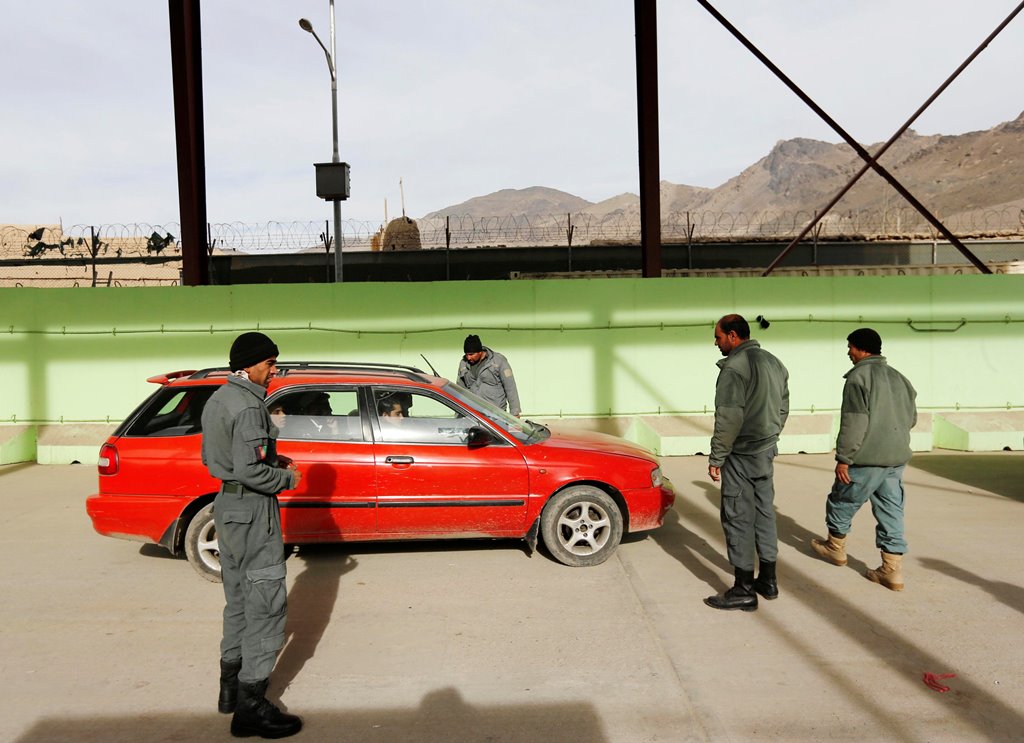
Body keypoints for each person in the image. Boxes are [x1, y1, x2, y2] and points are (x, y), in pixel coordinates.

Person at [200, 331, 304, 739]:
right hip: (254, 509)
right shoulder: (247, 406)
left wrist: (268, 460)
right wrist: (286, 477)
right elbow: (251, 470)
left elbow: (216, 457)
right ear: (247, 366)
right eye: (269, 364)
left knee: (239, 600)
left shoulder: (219, 399)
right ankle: (251, 708)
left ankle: (229, 689)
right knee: (267, 604)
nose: (273, 370)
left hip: (227, 507)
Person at [811, 328, 917, 592]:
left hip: (867, 458)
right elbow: (911, 418)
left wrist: (844, 458)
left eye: (850, 347)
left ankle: (835, 548)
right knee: (891, 510)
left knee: (842, 499)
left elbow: (854, 423)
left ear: (860, 348)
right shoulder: (900, 378)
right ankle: (892, 571)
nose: (848, 352)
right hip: (896, 458)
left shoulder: (858, 378)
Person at [704, 314, 790, 612]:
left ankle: (743, 589)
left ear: (732, 335)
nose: (715, 343)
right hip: (765, 451)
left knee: (738, 516)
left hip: (741, 454)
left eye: (717, 337)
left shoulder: (734, 368)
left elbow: (728, 417)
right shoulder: (774, 362)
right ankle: (768, 580)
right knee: (765, 514)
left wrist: (717, 457)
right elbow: (783, 406)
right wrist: (770, 437)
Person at [457, 334, 521, 416]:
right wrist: (458, 415)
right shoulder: (464, 364)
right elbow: (459, 390)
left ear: (480, 352)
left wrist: (515, 413)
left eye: (471, 354)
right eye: (466, 354)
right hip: (473, 414)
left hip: (496, 414)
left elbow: (510, 387)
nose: (468, 358)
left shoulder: (498, 361)